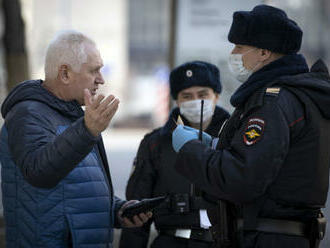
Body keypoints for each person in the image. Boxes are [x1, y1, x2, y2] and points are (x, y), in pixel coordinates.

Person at [171, 5, 330, 248]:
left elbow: (241, 179)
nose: (233, 53)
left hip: (266, 238)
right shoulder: (297, 96)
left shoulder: (272, 102)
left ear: (264, 53)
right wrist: (216, 146)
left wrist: (191, 149)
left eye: (240, 47)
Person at [0, 30, 151, 248]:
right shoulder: (28, 113)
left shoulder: (75, 115)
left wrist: (118, 210)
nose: (101, 79)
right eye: (94, 70)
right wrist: (87, 130)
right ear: (65, 74)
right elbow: (39, 171)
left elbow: (76, 190)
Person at [119, 61, 230, 248]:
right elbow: (137, 211)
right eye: (186, 96)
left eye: (203, 94)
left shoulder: (234, 138)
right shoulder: (155, 143)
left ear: (216, 96)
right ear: (177, 101)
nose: (195, 101)